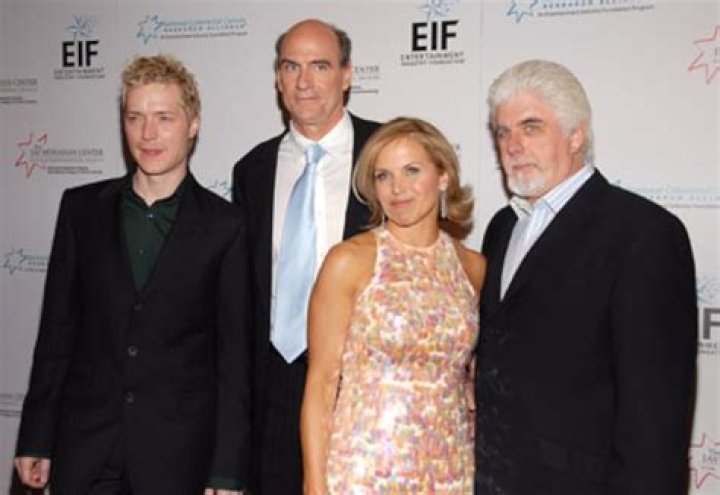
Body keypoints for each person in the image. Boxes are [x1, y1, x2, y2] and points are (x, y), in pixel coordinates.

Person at [14, 54, 251, 495]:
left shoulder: (226, 226)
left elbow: (234, 361)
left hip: (178, 458)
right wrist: (36, 435)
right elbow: (56, 335)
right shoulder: (81, 211)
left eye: (164, 118)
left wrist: (227, 469)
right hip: (86, 449)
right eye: (135, 117)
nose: (148, 133)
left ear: (193, 124)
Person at [475, 59, 697, 494]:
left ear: (576, 134)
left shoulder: (643, 233)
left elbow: (655, 419)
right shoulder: (502, 227)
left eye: (531, 127)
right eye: (502, 132)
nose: (513, 145)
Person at [232, 18, 380, 494]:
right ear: (277, 78)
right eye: (290, 67)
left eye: (320, 66)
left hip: (364, 388)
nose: (304, 82)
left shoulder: (387, 154)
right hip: (273, 386)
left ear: (347, 74)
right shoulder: (252, 170)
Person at [301, 116, 485, 493]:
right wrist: (314, 485)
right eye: (383, 176)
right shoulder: (349, 261)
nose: (397, 188)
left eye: (412, 171)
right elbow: (321, 385)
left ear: (443, 176)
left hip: (450, 473)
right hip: (363, 472)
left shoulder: (472, 267)